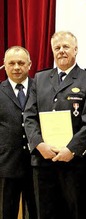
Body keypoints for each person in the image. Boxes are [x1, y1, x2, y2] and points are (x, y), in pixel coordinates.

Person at [23, 31, 86, 219]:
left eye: (66, 47)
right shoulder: (40, 79)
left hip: (75, 162)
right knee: (45, 212)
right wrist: (39, 144)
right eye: (57, 48)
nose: (61, 51)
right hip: (43, 160)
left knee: (76, 212)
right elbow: (29, 116)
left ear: (76, 49)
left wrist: (72, 149)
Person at [0, 46, 38, 219]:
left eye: (21, 63)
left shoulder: (41, 89)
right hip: (6, 165)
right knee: (6, 212)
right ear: (4, 65)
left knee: (37, 211)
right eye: (12, 63)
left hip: (37, 163)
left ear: (29, 65)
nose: (16, 67)